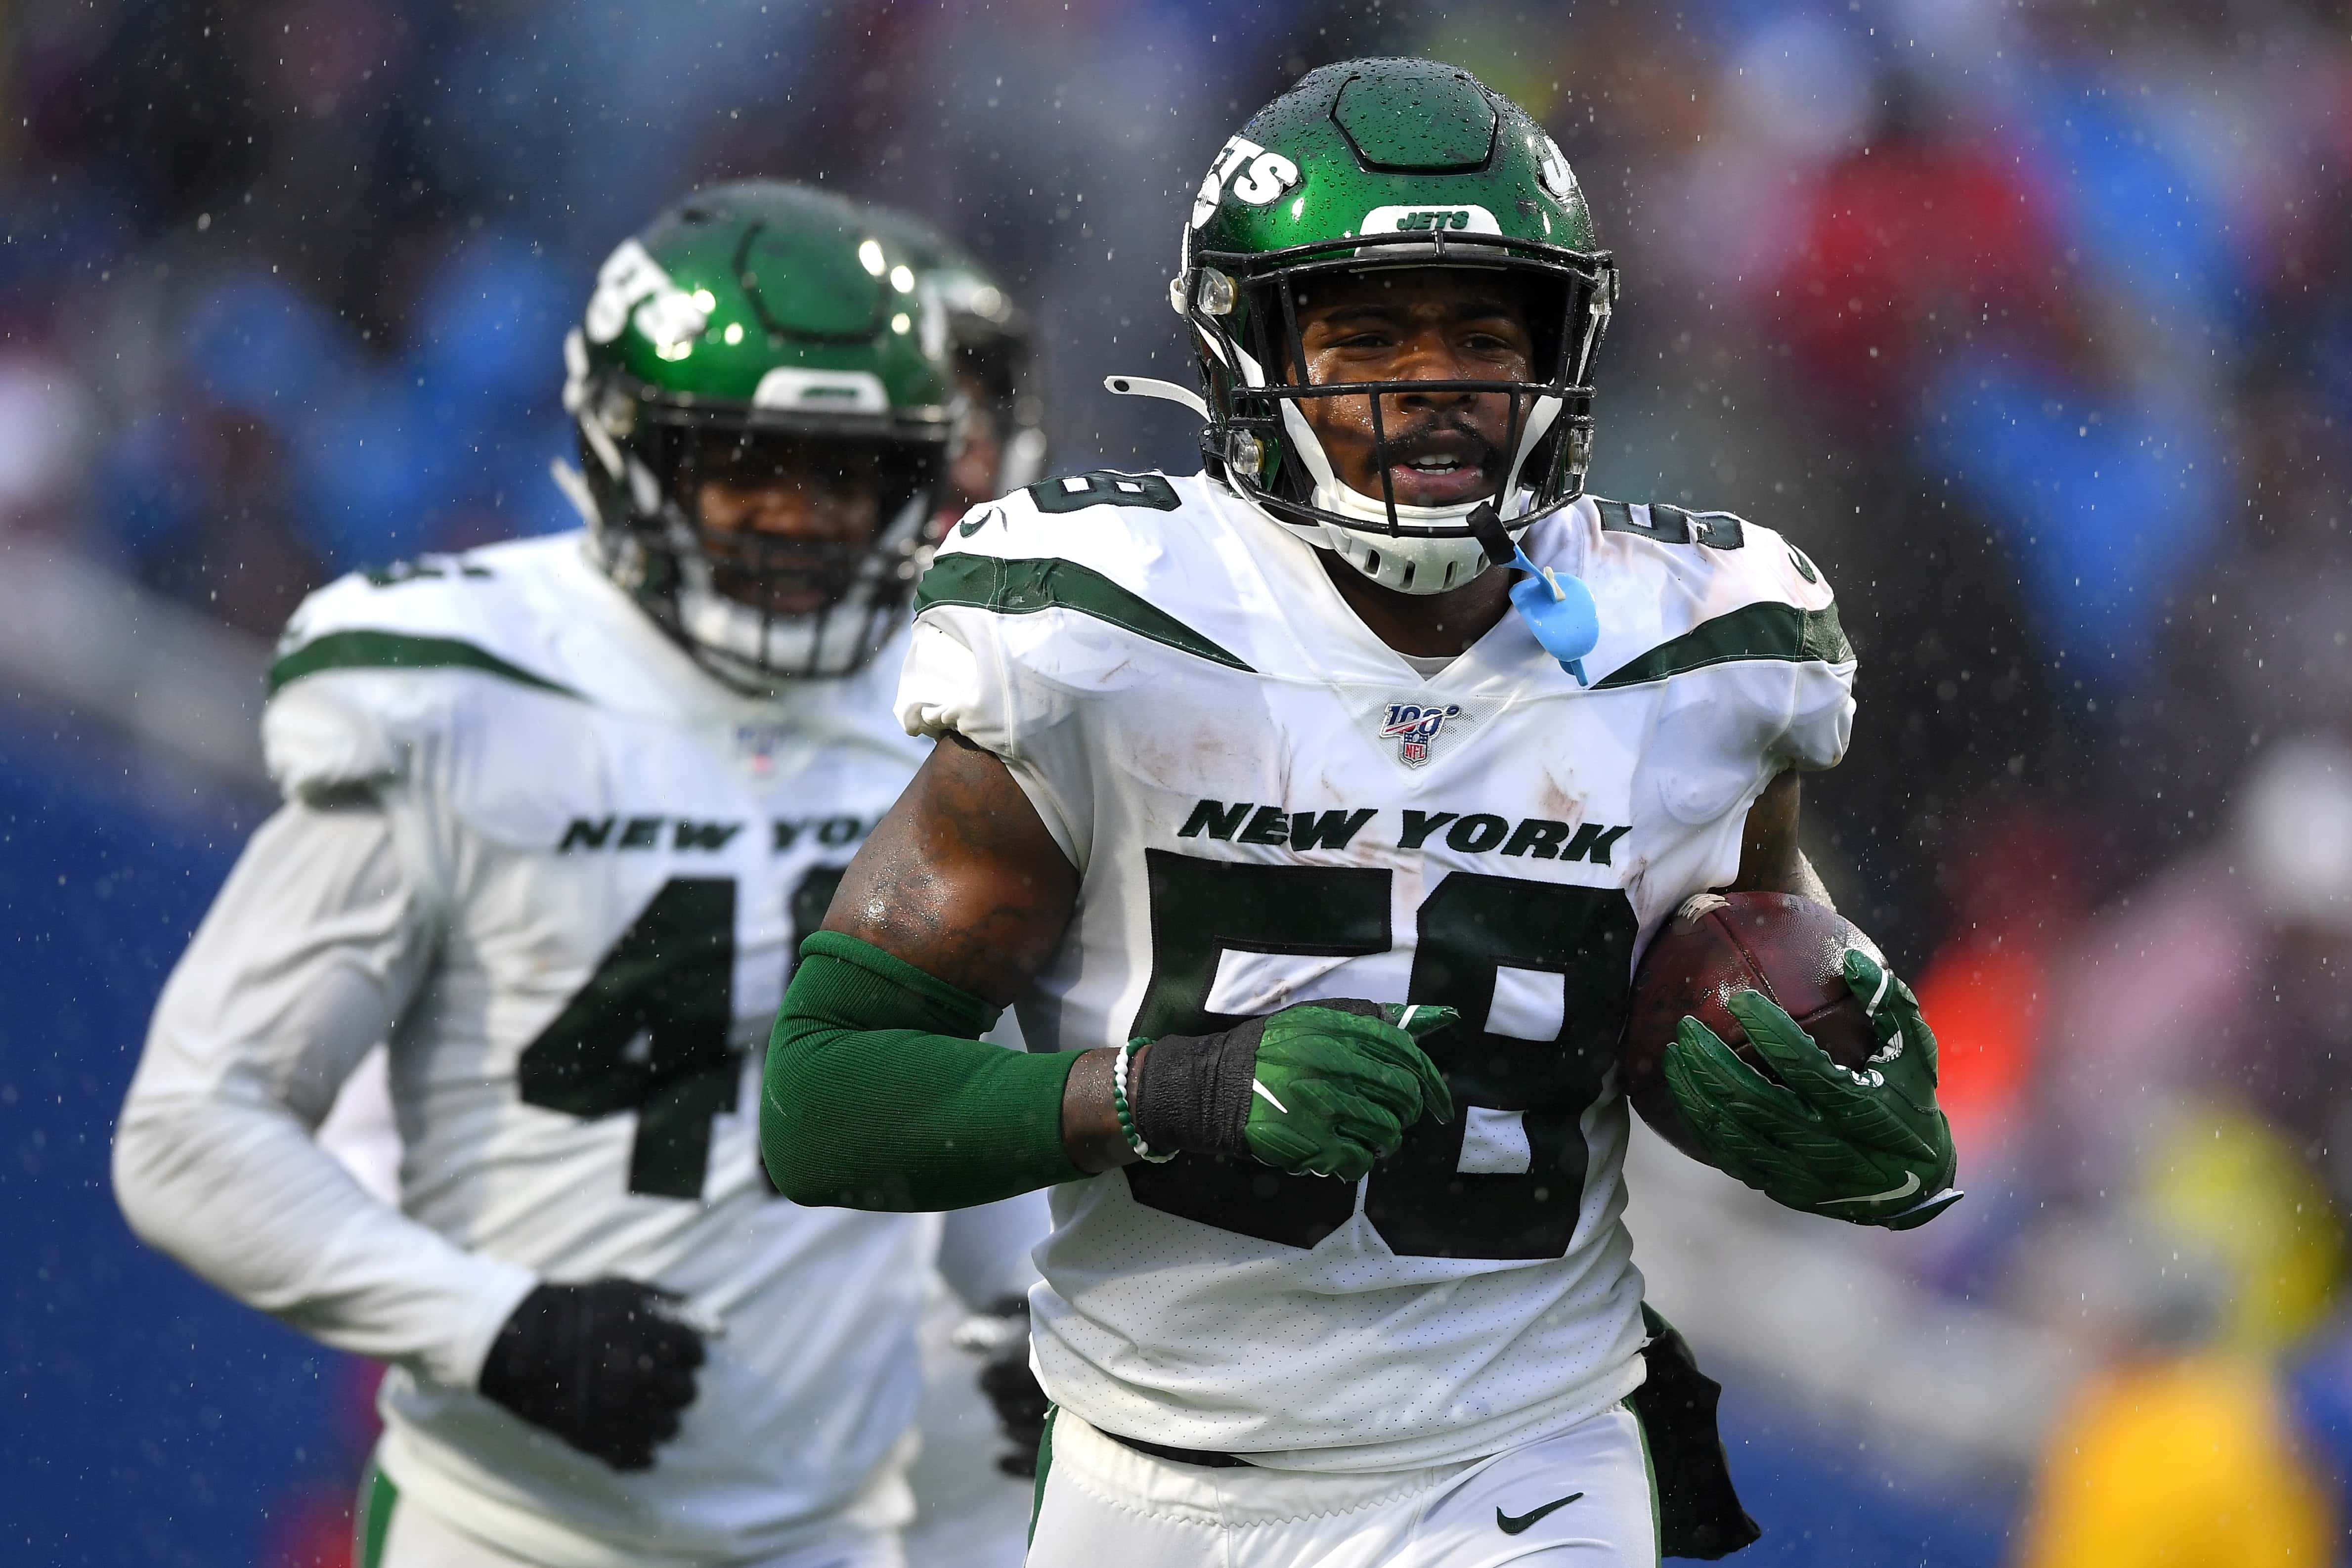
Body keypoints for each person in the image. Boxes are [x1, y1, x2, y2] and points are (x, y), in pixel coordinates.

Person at [761, 60, 1961, 1566]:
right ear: (1253, 353)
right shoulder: (1098, 626)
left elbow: (1745, 979)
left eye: (1480, 330)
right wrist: (1162, 1095)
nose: (1431, 378)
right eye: (1366, 330)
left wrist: (1868, 1118)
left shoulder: (1708, 644)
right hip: (1152, 1469)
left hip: (1521, 1447)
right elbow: (820, 1101)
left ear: (1562, 350)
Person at [115, 180, 1049, 1568]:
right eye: (746, 462)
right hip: (507, 1526)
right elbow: (188, 1131)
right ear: (632, 451)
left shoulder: (959, 703)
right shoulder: (466, 686)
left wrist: (1035, 1322)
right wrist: (489, 1323)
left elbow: (927, 1087)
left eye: (845, 472)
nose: (796, 523)